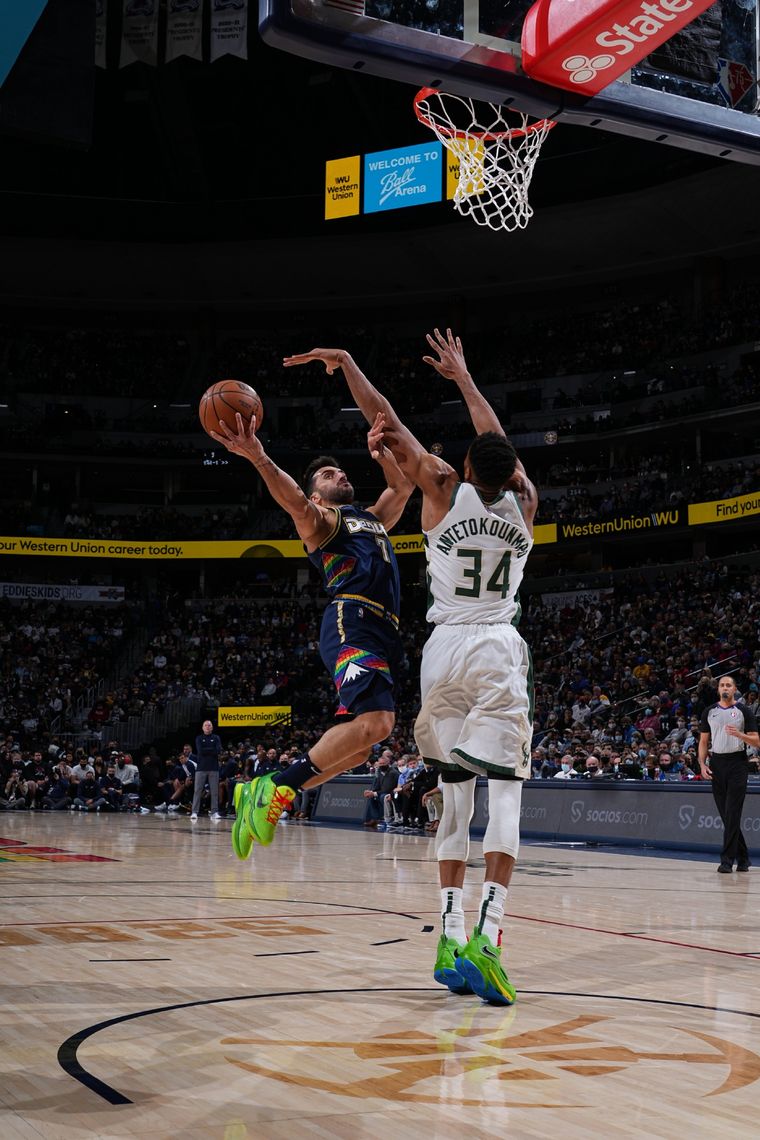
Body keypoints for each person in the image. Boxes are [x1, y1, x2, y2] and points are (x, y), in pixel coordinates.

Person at [284, 328, 537, 1006]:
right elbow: (497, 444)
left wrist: (347, 366)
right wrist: (465, 378)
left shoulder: (439, 490)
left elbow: (385, 420)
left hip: (441, 652)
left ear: (460, 465)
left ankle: (450, 937)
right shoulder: (526, 505)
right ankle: (490, 935)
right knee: (505, 795)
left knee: (454, 798)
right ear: (511, 473)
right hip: (495, 647)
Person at [210, 404, 414, 859]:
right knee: (379, 723)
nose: (338, 474)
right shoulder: (321, 521)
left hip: (382, 628)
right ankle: (275, 789)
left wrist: (380, 452)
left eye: (339, 470)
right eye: (326, 474)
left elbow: (403, 485)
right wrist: (259, 456)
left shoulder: (372, 517)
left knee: (360, 749)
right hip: (351, 620)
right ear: (317, 496)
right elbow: (293, 500)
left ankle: (261, 793)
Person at [698, 675, 759, 873]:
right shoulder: (709, 711)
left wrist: (739, 735)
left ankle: (727, 860)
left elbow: (756, 741)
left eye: (729, 685)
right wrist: (701, 763)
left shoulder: (744, 711)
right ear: (718, 689)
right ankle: (744, 858)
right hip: (716, 763)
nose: (725, 688)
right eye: (722, 685)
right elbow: (703, 742)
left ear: (734, 689)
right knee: (726, 815)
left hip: (737, 764)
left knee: (733, 812)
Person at [191, 719, 223, 822]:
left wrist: (207, 750)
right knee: (197, 790)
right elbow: (200, 751)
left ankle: (214, 812)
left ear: (212, 727)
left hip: (214, 768)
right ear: (202, 727)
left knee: (214, 791)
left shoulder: (216, 738)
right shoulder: (199, 738)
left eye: (209, 725)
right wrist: (211, 749)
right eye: (206, 725)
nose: (208, 727)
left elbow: (218, 750)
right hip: (201, 768)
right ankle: (194, 811)